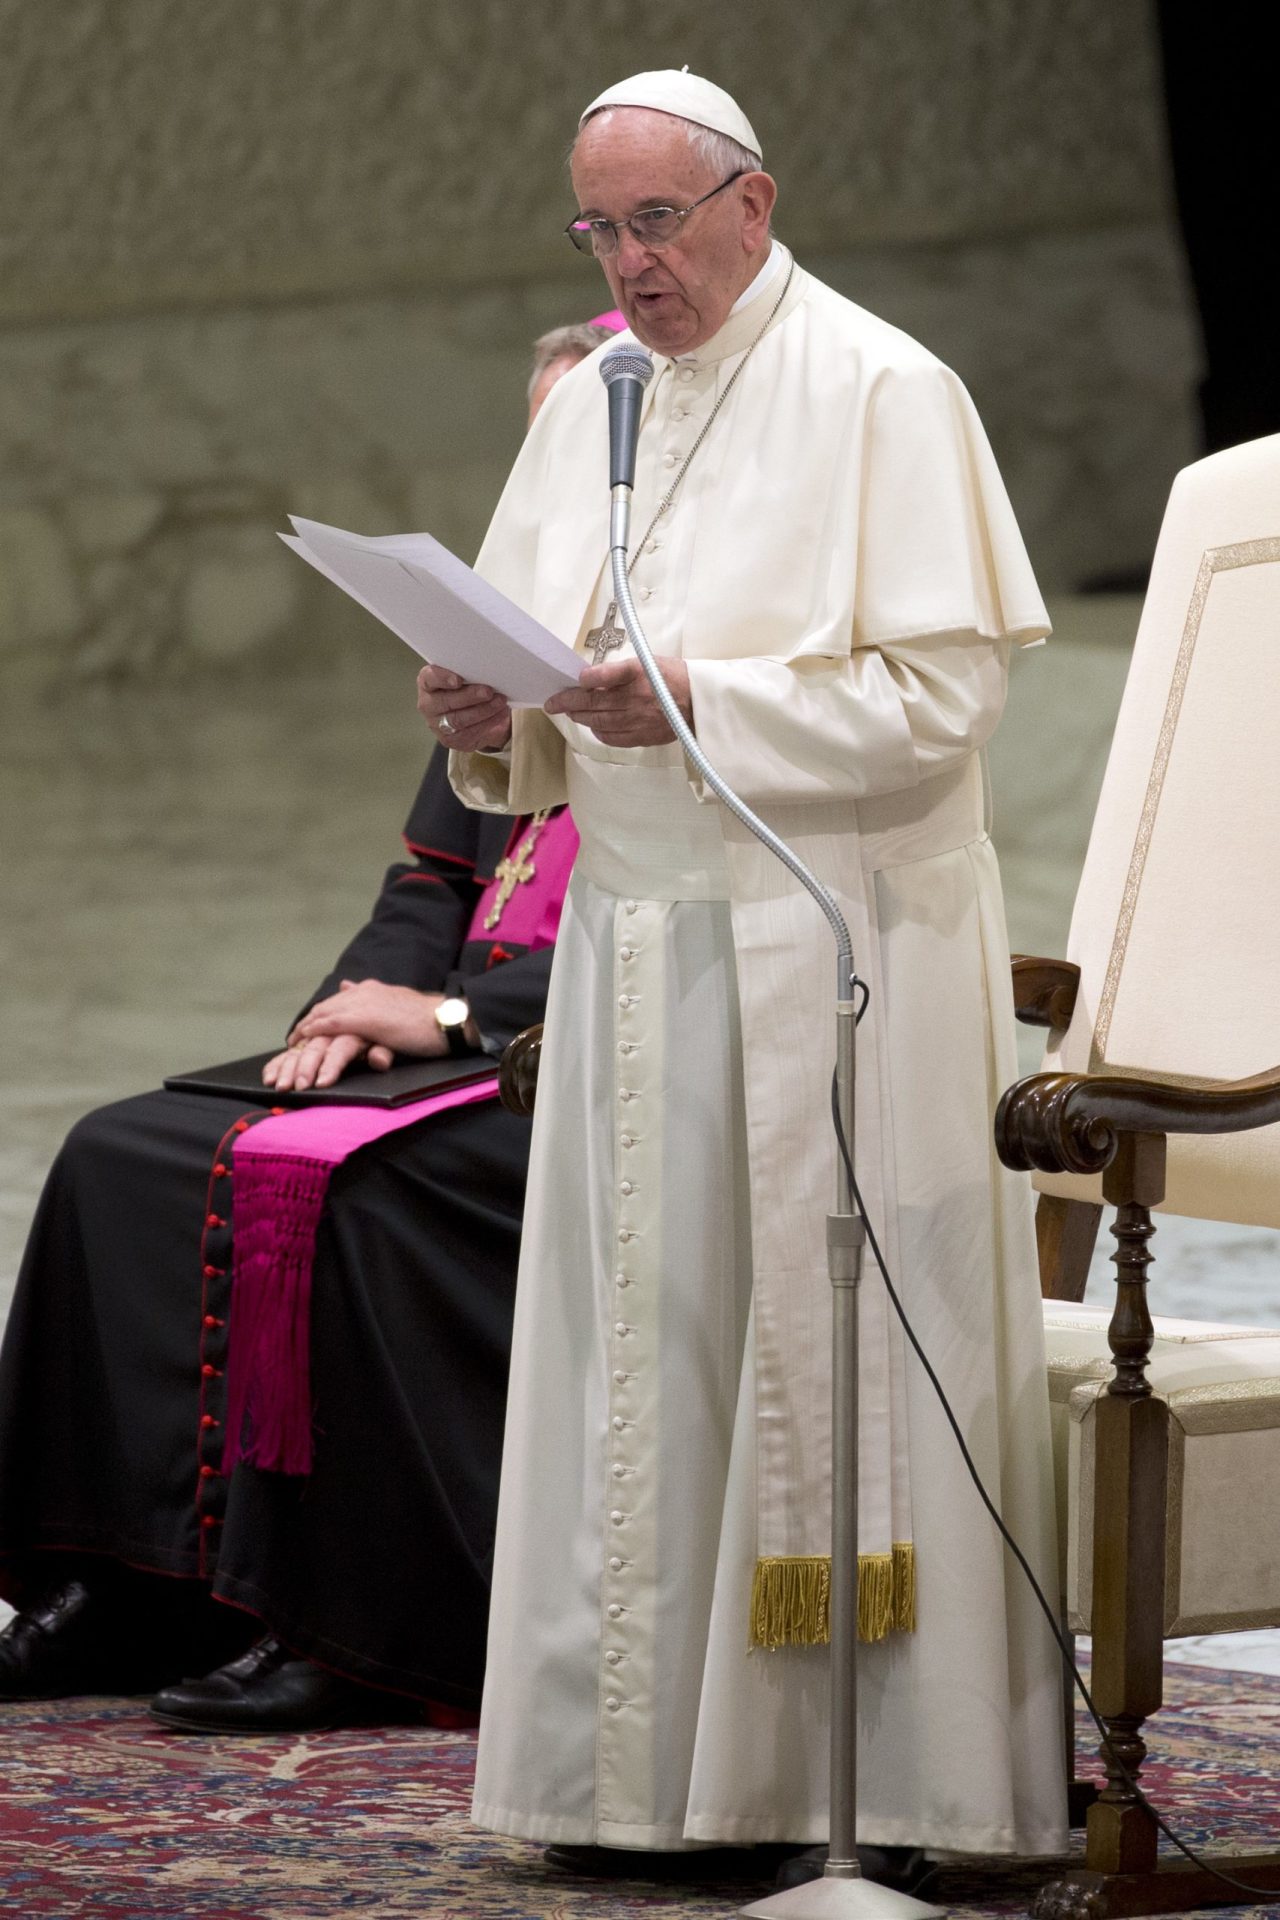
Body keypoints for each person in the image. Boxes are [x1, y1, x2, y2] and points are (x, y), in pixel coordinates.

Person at [418, 70, 1067, 1875]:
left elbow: (945, 704)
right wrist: (492, 720)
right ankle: (637, 1790)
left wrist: (706, 695)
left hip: (828, 946)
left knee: (812, 1357)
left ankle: (878, 1795)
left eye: (656, 223)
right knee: (650, 1355)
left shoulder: (884, 389)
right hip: (635, 953)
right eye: (596, 231)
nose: (628, 268)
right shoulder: (594, 406)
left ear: (752, 206)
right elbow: (539, 685)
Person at [0, 320, 615, 1731]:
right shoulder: (508, 639)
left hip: (576, 1055)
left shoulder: (679, 657)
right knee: (119, 1154)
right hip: (446, 1038)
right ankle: (132, 1582)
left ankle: (352, 1620)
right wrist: (354, 1011)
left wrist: (457, 1009)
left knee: (341, 1201)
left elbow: (687, 927)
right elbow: (434, 876)